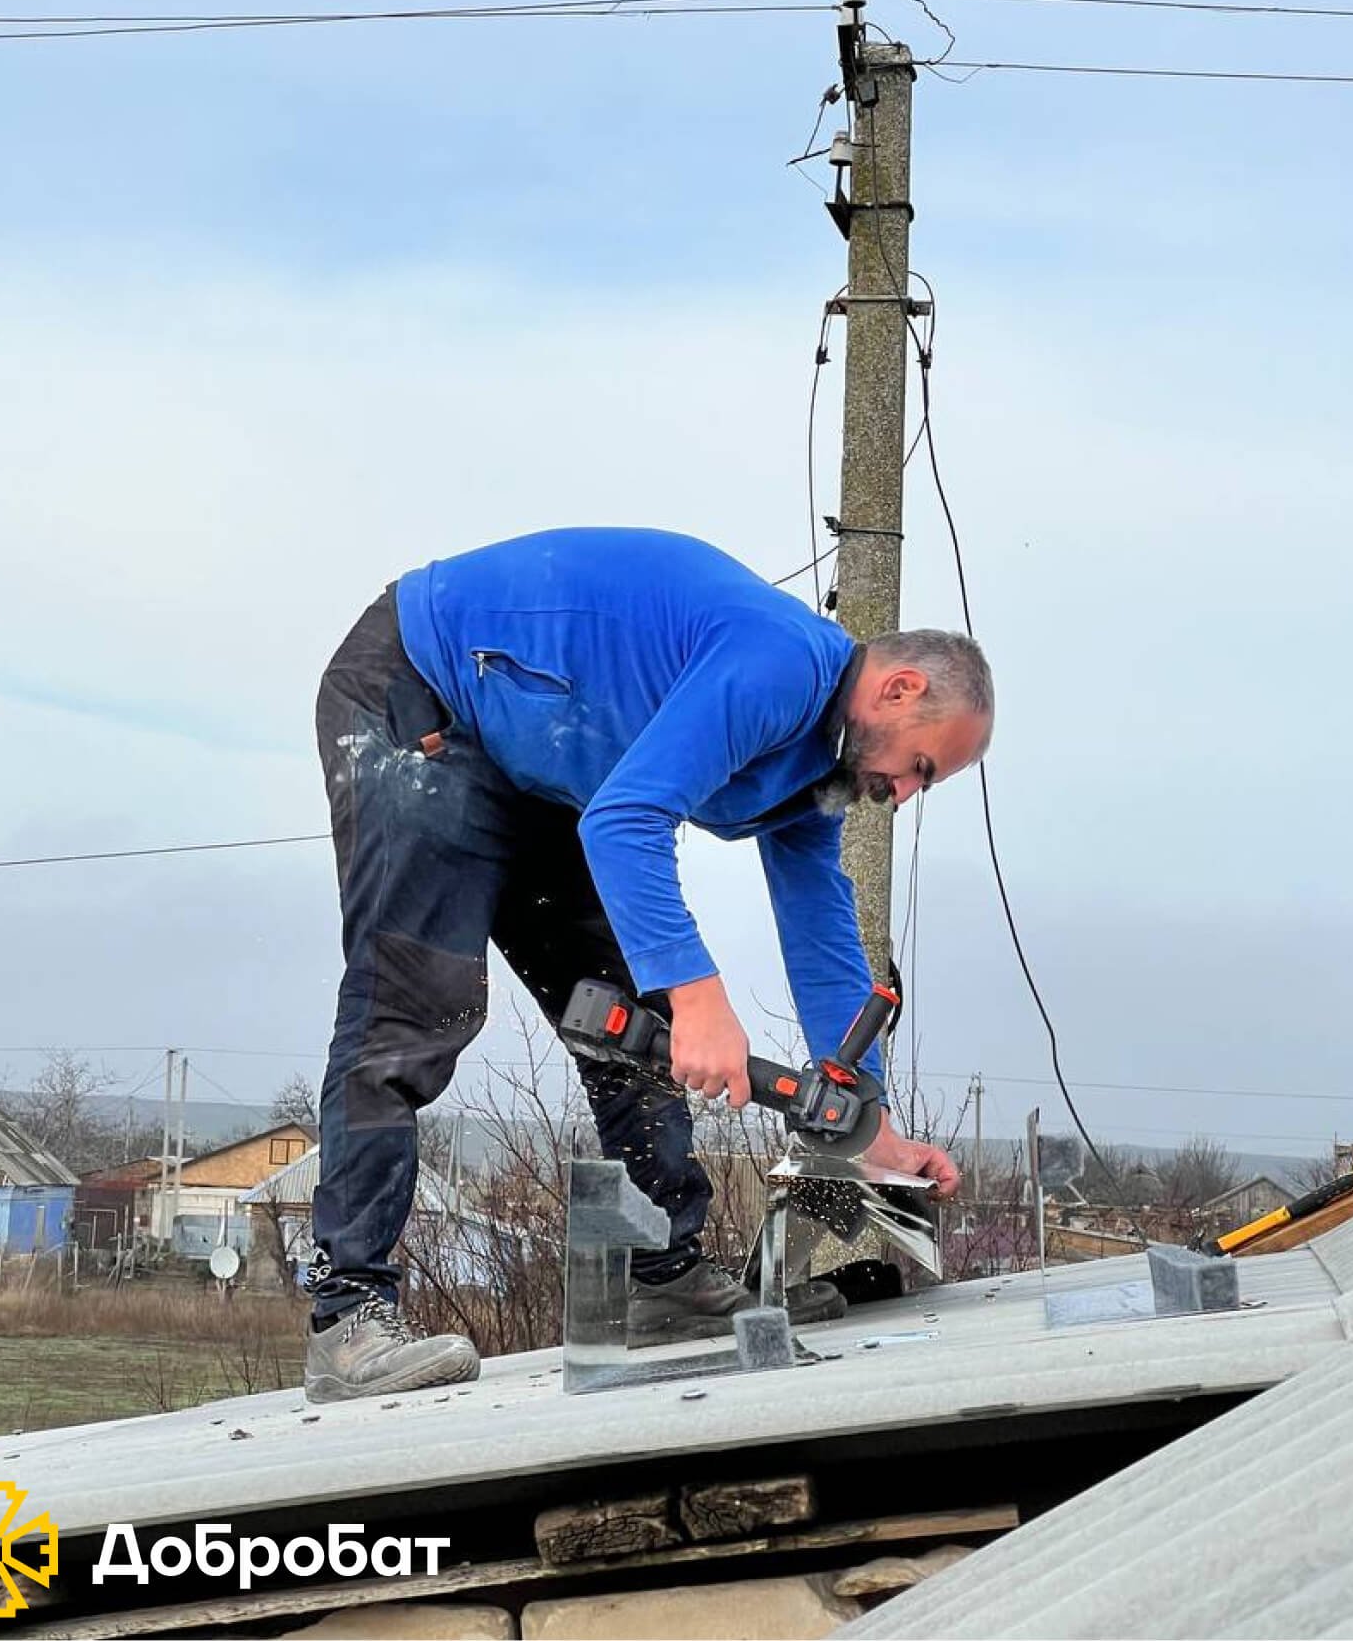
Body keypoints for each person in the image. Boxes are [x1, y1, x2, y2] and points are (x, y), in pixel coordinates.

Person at [303, 527, 993, 1402]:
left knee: (632, 1027)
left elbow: (820, 930)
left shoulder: (815, 771)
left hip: (530, 756)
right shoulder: (782, 666)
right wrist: (703, 1000)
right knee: (415, 1003)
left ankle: (663, 1280)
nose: (905, 792)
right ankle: (348, 1315)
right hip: (421, 692)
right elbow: (626, 821)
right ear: (899, 688)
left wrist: (869, 1126)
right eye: (920, 765)